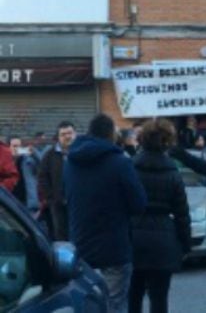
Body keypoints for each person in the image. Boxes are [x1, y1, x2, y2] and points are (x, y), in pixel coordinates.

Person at [64, 114, 147, 313]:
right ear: (111, 134)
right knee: (115, 304)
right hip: (114, 246)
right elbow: (139, 203)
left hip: (81, 243)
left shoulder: (70, 162)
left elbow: (66, 195)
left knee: (85, 303)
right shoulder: (120, 162)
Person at [129, 119, 191, 313]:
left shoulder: (130, 167)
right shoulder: (173, 172)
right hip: (163, 238)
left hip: (133, 236)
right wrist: (185, 243)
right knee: (159, 298)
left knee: (133, 296)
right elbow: (182, 213)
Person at [38, 121, 76, 241]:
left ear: (75, 134)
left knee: (79, 234)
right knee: (61, 235)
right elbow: (42, 177)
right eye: (63, 134)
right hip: (58, 204)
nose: (67, 137)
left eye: (70, 133)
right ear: (58, 137)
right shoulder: (49, 155)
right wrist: (51, 198)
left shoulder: (82, 152)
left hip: (78, 203)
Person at [8, 136, 39, 214]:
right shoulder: (5, 162)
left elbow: (42, 166)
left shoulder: (28, 161)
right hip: (9, 201)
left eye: (19, 146)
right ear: (8, 148)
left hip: (26, 202)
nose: (17, 149)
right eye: (14, 146)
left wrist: (34, 153)